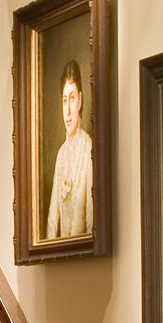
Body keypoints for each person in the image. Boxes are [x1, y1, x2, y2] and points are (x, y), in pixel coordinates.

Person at [43, 58, 93, 243]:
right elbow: (52, 218)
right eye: (64, 100)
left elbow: (91, 220)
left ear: (80, 100)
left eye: (72, 99)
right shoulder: (61, 154)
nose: (68, 109)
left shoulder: (88, 148)